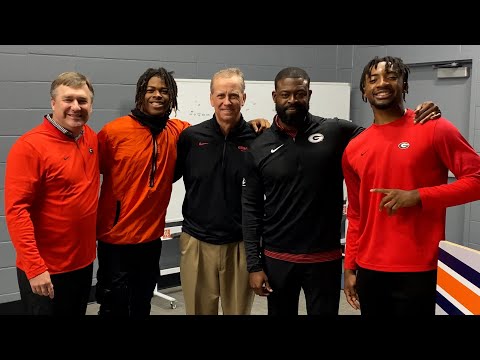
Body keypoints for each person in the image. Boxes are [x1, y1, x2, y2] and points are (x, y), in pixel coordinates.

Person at [241, 66, 441, 315]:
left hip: (324, 258)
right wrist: (254, 265)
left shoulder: (335, 131)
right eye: (285, 94)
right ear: (274, 97)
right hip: (277, 259)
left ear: (309, 94)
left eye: (300, 93)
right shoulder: (258, 145)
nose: (293, 100)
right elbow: (250, 210)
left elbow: (385, 131)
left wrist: (416, 117)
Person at [95, 67, 268, 318]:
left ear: (243, 98)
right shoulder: (117, 132)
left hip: (153, 239)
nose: (158, 95)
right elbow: (88, 176)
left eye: (164, 91)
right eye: (151, 90)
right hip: (119, 240)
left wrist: (256, 123)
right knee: (114, 306)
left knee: (141, 304)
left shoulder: (183, 132)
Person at [342, 56, 480, 317]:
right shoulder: (353, 148)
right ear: (364, 90)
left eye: (391, 77)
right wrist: (350, 267)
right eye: (373, 80)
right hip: (370, 269)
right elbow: (357, 214)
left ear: (404, 85)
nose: (382, 83)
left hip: (420, 269)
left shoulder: (434, 127)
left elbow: (477, 180)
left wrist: (419, 196)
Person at [4, 71, 98, 316]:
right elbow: (17, 211)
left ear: (91, 105)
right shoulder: (29, 147)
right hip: (46, 270)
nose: (76, 107)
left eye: (83, 100)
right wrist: (35, 269)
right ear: (53, 103)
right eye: (68, 100)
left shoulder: (90, 138)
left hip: (83, 264)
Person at [174, 68, 267, 315]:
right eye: (221, 95)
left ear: (244, 98)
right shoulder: (191, 138)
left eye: (234, 95)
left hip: (239, 245)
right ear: (211, 98)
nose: (227, 102)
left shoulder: (259, 140)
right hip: (196, 243)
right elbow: (167, 176)